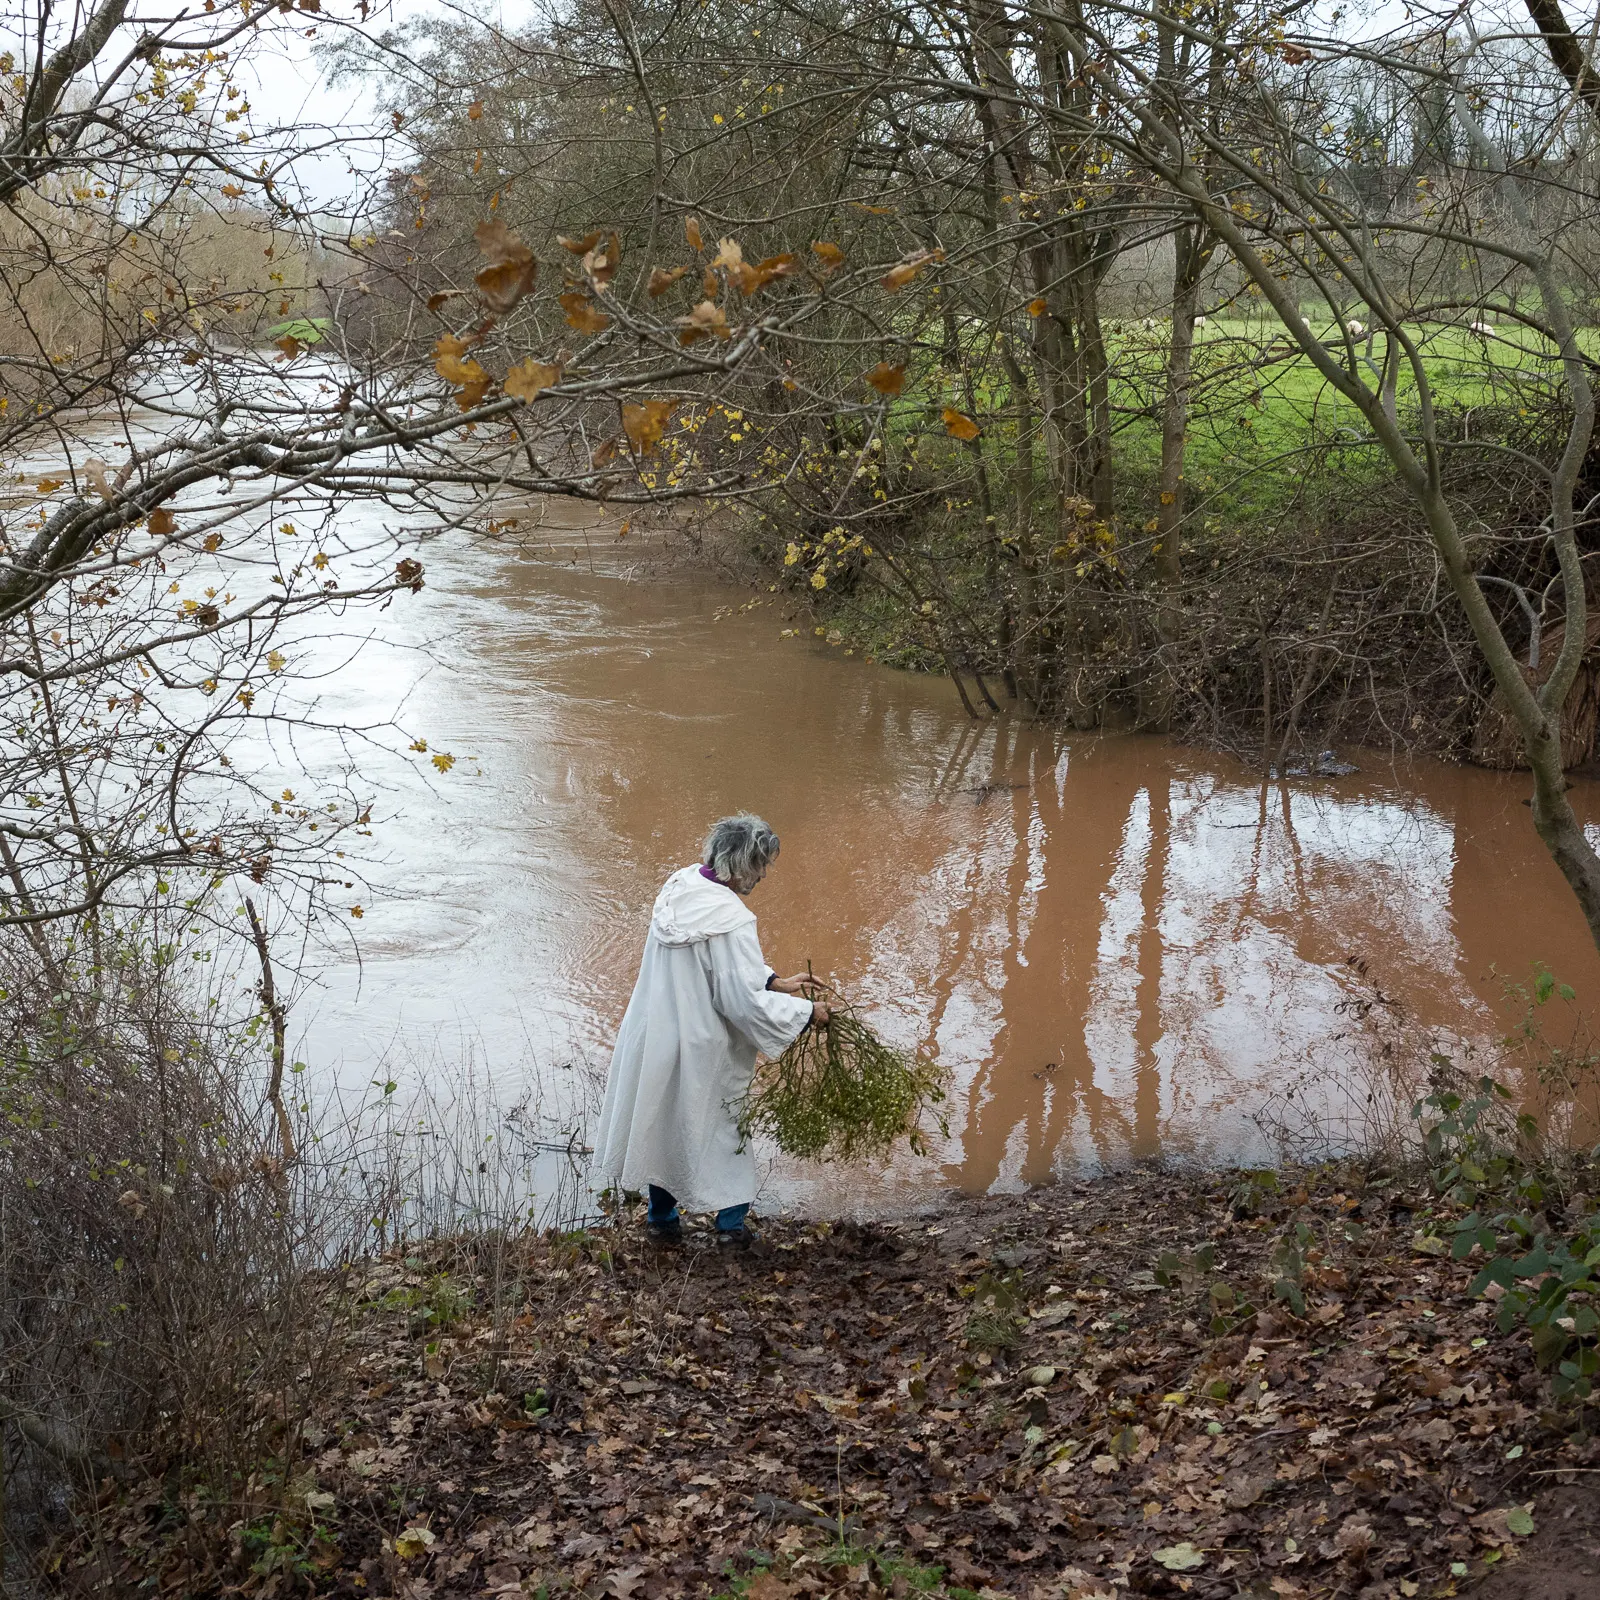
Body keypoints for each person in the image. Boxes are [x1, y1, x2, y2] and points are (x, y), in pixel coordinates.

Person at [594, 813, 829, 1246]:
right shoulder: (734, 918)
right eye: (761, 865)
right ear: (741, 864)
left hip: (656, 1031)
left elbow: (712, 968)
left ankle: (662, 1223)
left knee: (664, 1124)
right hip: (702, 1044)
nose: (764, 875)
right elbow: (740, 1001)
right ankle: (731, 1230)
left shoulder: (679, 887)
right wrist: (804, 1013)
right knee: (724, 1133)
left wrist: (773, 979)